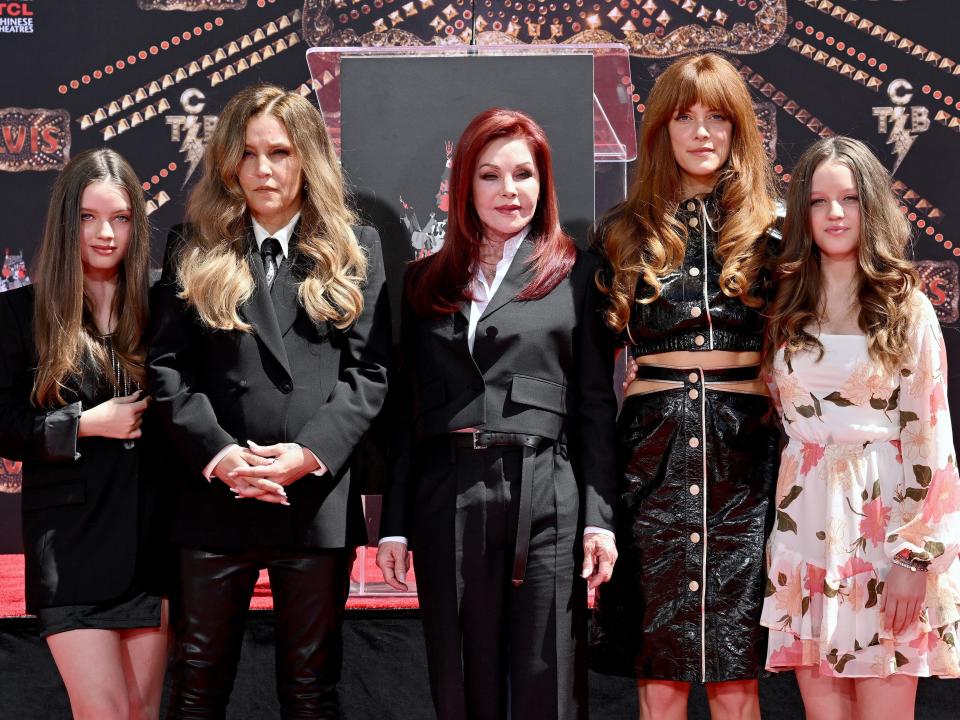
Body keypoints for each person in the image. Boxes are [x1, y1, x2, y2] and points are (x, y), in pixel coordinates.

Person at [147, 84, 391, 718]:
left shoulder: (355, 249)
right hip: (213, 500)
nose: (263, 170)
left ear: (306, 158)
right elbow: (168, 369)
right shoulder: (191, 246)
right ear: (229, 163)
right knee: (196, 685)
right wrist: (223, 456)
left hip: (311, 501)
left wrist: (307, 454)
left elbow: (371, 374)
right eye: (248, 153)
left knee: (311, 689)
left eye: (279, 152)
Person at [376, 108, 619, 720]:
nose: (509, 191)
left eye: (523, 174)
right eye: (490, 175)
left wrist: (599, 517)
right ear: (465, 187)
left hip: (548, 493)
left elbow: (594, 406)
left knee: (548, 682)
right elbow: (403, 413)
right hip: (447, 493)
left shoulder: (578, 274)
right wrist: (395, 524)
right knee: (460, 684)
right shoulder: (420, 282)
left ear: (544, 184)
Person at [590, 53, 783, 719]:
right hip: (652, 459)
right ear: (660, 129)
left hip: (749, 461)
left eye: (718, 118)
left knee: (737, 676)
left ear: (739, 130)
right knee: (660, 673)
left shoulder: (778, 234)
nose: (702, 132)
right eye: (684, 117)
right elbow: (590, 383)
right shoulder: (622, 233)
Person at [761, 136, 960, 718]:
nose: (835, 214)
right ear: (802, 212)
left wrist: (912, 559)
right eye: (819, 201)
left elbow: (931, 435)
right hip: (804, 531)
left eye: (849, 198)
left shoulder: (907, 307)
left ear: (872, 205)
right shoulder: (785, 301)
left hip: (885, 533)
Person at [0, 148, 167, 719]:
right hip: (68, 551)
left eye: (120, 218)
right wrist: (85, 425)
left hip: (152, 550)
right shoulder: (20, 315)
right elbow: (4, 426)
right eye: (89, 218)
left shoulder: (162, 307)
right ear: (66, 221)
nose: (104, 234)